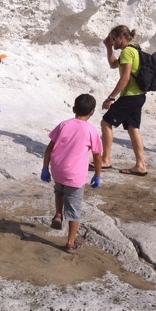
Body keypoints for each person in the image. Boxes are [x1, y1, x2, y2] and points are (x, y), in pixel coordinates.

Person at [41, 94, 103, 253]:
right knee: (74, 209)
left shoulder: (63, 125)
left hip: (58, 170)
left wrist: (45, 168)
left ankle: (58, 213)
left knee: (59, 189)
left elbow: (49, 148)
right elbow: (97, 155)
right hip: (75, 175)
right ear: (93, 112)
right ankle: (70, 243)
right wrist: (97, 175)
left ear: (74, 108)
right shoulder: (91, 131)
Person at [100, 25, 148, 176]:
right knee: (133, 129)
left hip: (130, 96)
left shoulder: (127, 51)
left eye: (113, 38)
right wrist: (109, 48)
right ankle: (140, 165)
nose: (113, 41)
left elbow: (125, 77)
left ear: (121, 36)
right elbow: (114, 64)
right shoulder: (134, 49)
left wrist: (111, 97)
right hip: (139, 95)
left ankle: (106, 160)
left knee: (106, 122)